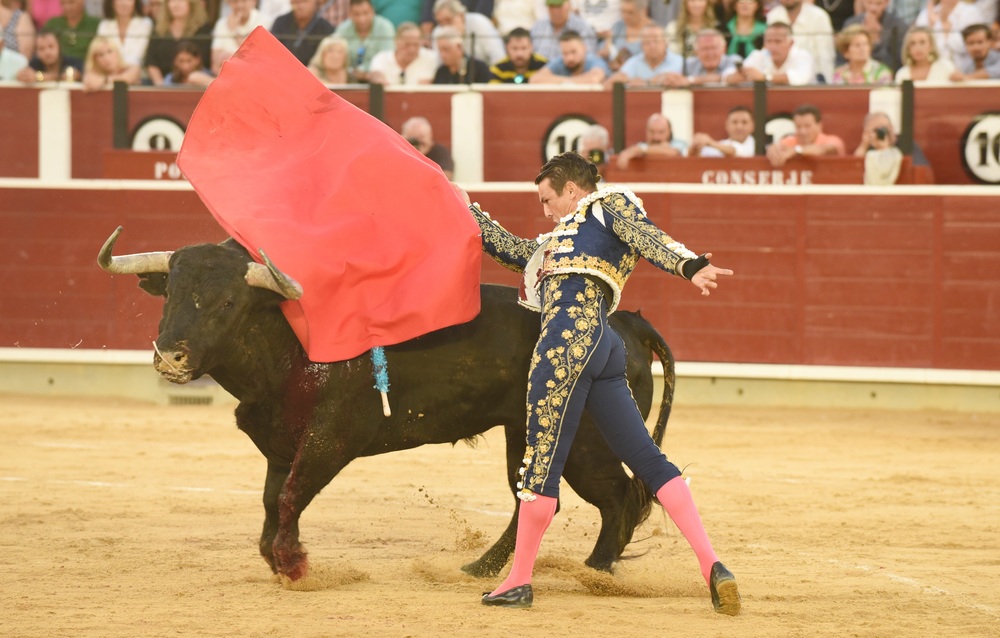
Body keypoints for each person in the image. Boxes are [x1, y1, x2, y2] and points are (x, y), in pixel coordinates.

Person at [458, 151, 740, 615]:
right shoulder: (563, 239)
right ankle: (713, 566)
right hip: (604, 345)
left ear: (572, 190)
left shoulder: (606, 206)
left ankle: (518, 581)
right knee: (647, 459)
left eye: (548, 199)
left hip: (567, 342)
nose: (545, 210)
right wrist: (465, 208)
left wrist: (688, 266)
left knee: (541, 462)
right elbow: (512, 249)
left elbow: (645, 236)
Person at [145, 0, 212, 85]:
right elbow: (151, 62)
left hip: (196, 84)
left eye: (181, 1)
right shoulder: (159, 30)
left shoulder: (203, 29)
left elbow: (205, 60)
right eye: (171, 1)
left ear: (191, 3)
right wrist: (161, 86)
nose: (176, 5)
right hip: (164, 85)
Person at [766, 0, 833, 82]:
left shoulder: (819, 16)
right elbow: (768, 51)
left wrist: (828, 84)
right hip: (776, 79)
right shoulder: (773, 15)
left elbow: (825, 55)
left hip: (812, 80)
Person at [729, 21, 815, 85]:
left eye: (778, 41)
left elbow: (800, 78)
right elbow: (729, 74)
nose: (772, 47)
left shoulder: (802, 56)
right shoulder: (759, 55)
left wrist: (764, 78)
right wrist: (734, 77)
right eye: (769, 41)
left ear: (791, 43)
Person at [766, 103, 845, 167]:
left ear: (819, 125)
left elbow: (823, 149)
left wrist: (796, 150)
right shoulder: (789, 141)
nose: (802, 131)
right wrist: (773, 151)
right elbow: (777, 149)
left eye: (807, 126)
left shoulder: (832, 140)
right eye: (798, 126)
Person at [605, 22, 683, 86]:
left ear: (665, 43)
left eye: (656, 41)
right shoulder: (633, 62)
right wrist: (623, 81)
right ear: (641, 46)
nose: (652, 46)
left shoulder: (680, 62)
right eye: (647, 42)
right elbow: (612, 82)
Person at [914, 0, 986, 69]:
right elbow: (919, 45)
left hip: (963, 72)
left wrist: (945, 26)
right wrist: (932, 26)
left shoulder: (971, 12)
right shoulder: (926, 14)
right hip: (932, 70)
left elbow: (964, 46)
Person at [334, 0, 394, 81]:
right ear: (350, 14)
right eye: (356, 14)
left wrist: (368, 74)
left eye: (366, 13)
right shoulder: (343, 29)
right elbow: (332, 52)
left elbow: (388, 59)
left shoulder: (385, 27)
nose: (362, 19)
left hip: (379, 79)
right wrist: (351, 72)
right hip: (348, 79)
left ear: (373, 11)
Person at [841, 0, 907, 73]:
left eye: (878, 4)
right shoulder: (850, 24)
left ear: (886, 3)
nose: (873, 8)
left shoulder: (898, 26)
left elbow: (898, 62)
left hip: (887, 76)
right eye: (869, 3)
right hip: (852, 76)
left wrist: (876, 40)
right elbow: (841, 57)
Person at [431, 0, 504, 66]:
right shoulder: (438, 33)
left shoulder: (480, 23)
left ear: (461, 16)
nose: (445, 28)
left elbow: (499, 58)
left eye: (448, 21)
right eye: (440, 23)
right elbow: (439, 66)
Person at [368, 20, 438, 84]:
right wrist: (378, 79)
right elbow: (376, 74)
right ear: (396, 41)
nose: (412, 50)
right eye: (407, 45)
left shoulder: (431, 58)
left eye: (416, 44)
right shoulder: (382, 58)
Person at [529, 28, 609, 83]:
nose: (569, 58)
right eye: (565, 53)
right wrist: (570, 82)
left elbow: (593, 79)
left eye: (573, 52)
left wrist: (561, 82)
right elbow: (534, 79)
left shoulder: (595, 61)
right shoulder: (560, 62)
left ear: (584, 48)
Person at [271, 0, 334, 66]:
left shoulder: (325, 27)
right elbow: (272, 51)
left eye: (305, 2)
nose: (300, 6)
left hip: (313, 72)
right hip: (282, 67)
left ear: (315, 2)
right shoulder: (280, 22)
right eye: (296, 2)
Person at [530, 0, 597, 62]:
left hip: (570, 72)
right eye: (551, 7)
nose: (555, 11)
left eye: (559, 6)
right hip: (538, 71)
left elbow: (590, 59)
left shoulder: (582, 28)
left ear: (569, 5)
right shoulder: (538, 26)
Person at [615, 113, 687, 168]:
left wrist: (642, 150)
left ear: (669, 131)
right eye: (652, 132)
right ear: (646, 131)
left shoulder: (679, 144)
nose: (656, 137)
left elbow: (673, 152)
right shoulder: (641, 146)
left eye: (661, 132)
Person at [210, 0, 263, 74]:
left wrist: (234, 30)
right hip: (225, 75)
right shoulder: (221, 23)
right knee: (194, 77)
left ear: (253, 1)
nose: (239, 6)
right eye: (235, 1)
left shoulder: (264, 21)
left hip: (252, 74)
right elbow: (215, 64)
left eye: (244, 1)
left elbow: (255, 57)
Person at [96, 0, 152, 68]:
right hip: (108, 70)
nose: (124, 3)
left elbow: (138, 57)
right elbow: (101, 53)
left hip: (136, 72)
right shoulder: (104, 25)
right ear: (112, 2)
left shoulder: (145, 24)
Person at [17, 27, 82, 81]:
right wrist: (23, 76)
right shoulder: (34, 64)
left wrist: (38, 77)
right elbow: (24, 75)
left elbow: (73, 75)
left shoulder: (73, 62)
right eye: (41, 48)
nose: (47, 52)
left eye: (51, 46)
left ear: (59, 47)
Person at [689, 104, 755, 157]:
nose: (739, 127)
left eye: (744, 122)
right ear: (727, 125)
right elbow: (700, 157)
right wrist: (694, 150)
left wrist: (709, 142)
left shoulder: (757, 145)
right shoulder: (721, 144)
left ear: (753, 126)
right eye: (734, 122)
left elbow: (734, 151)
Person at [606, 0, 655, 71]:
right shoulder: (618, 26)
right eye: (623, 11)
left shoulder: (654, 31)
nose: (625, 16)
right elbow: (607, 50)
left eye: (630, 13)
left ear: (644, 11)